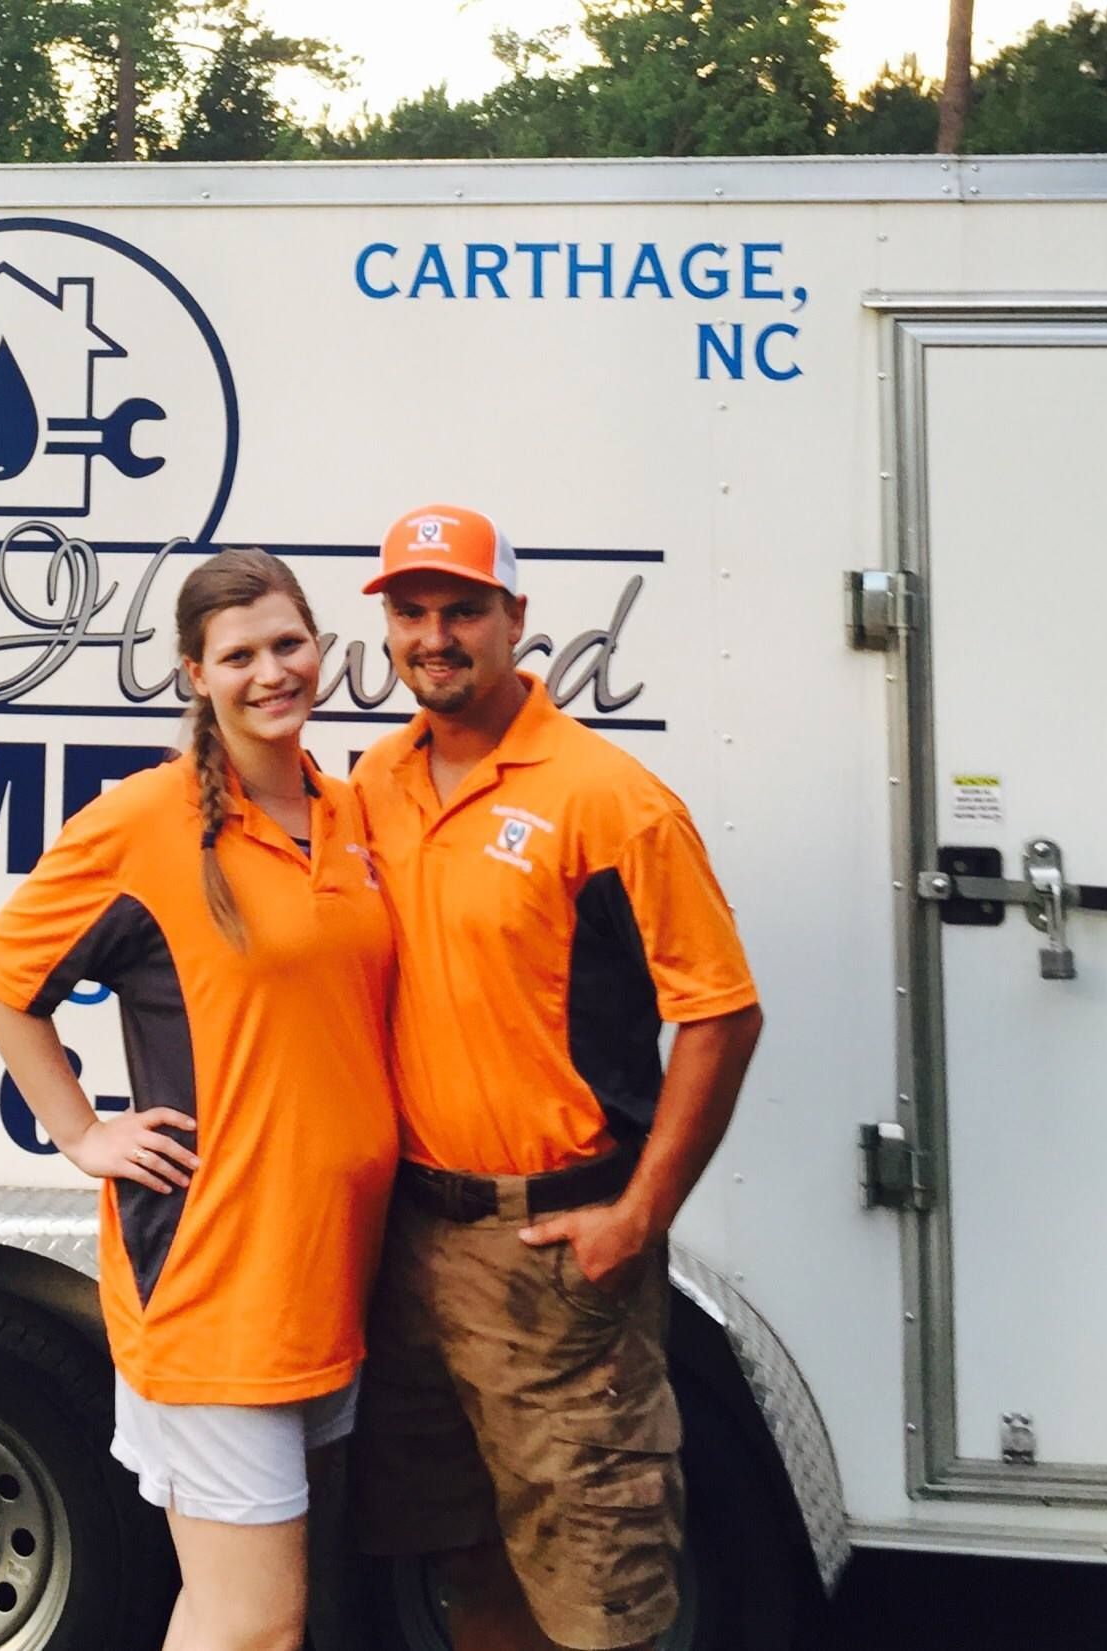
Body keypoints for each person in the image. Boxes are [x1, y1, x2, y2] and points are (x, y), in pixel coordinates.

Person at [347, 505, 764, 1651]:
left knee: (597, 1593)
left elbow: (720, 1015)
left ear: (515, 620)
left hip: (552, 1259)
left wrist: (639, 1212)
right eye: (410, 611)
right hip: (410, 1243)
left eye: (462, 609)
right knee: (464, 1560)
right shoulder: (372, 782)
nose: (435, 635)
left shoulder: (606, 798)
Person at [0, 548, 399, 1651]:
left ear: (321, 649)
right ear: (194, 674)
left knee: (227, 1607)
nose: (270, 671)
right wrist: (80, 1131)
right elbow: (4, 974)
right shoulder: (146, 821)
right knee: (259, 1621)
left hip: (332, 1273)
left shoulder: (347, 814)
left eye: (287, 644)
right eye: (239, 654)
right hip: (218, 1280)